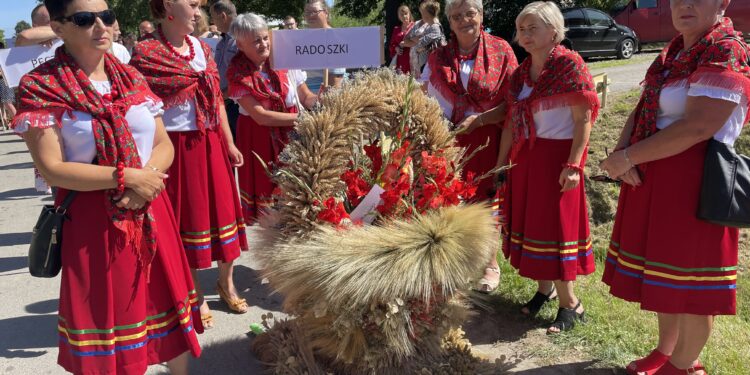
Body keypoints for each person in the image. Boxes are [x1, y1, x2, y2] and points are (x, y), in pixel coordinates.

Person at [12, 0, 203, 373]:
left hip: (150, 207)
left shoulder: (130, 77)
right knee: (108, 322)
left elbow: (163, 144)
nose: (101, 25)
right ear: (59, 28)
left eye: (107, 16)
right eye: (85, 19)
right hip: (92, 222)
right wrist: (127, 177)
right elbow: (52, 169)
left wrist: (144, 179)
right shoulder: (40, 86)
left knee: (164, 307)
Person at [599, 0, 749, 373]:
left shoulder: (725, 49)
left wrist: (630, 157)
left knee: (694, 288)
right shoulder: (675, 51)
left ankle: (684, 366)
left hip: (697, 183)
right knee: (666, 278)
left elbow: (698, 127)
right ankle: (666, 350)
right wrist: (622, 151)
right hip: (658, 174)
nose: (686, 5)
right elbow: (645, 104)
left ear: (722, 3)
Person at [131, 0, 250, 329]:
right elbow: (139, 111)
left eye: (200, 6)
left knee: (225, 214)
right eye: (192, 4)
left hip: (210, 141)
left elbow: (216, 101)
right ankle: (193, 295)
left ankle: (225, 283)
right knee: (190, 222)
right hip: (175, 148)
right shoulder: (146, 52)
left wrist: (228, 141)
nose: (198, 12)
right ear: (169, 4)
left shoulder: (201, 47)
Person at [498, 1, 599, 334]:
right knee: (536, 227)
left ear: (554, 31)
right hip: (526, 159)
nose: (525, 34)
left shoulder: (570, 66)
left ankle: (572, 304)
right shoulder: (519, 74)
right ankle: (546, 289)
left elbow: (583, 118)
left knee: (557, 230)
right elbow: (512, 123)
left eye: (533, 28)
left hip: (558, 159)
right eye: (521, 29)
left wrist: (574, 164)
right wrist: (501, 164)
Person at [421, 0, 517, 293]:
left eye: (470, 13)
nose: (464, 20)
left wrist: (478, 120)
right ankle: (456, 263)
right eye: (457, 16)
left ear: (482, 15)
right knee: (446, 200)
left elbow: (513, 103)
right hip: (446, 139)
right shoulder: (438, 57)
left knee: (485, 201)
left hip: (487, 137)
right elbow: (424, 91)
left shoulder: (502, 50)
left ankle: (490, 264)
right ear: (449, 22)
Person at [227, 13, 320, 222]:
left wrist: (320, 100)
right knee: (270, 210)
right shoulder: (237, 74)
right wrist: (301, 119)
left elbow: (305, 96)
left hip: (291, 135)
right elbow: (261, 117)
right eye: (256, 41)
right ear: (241, 46)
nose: (263, 44)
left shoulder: (284, 60)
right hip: (260, 140)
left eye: (265, 38)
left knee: (298, 197)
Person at [210, 0, 240, 139]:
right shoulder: (222, 42)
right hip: (224, 104)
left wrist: (225, 95)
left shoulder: (241, 40)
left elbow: (246, 75)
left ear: (223, 16)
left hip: (238, 105)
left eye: (213, 17)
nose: (212, 21)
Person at [303, 0, 344, 92]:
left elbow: (336, 79)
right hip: (305, 97)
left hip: (323, 97)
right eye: (307, 12)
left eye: (315, 11)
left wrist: (324, 102)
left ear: (326, 13)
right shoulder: (303, 39)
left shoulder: (335, 38)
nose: (310, 15)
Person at [401, 1, 444, 76]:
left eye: (422, 13)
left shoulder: (435, 27)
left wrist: (416, 40)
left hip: (431, 64)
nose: (422, 15)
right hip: (425, 63)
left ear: (427, 14)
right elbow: (411, 41)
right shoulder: (432, 26)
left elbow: (420, 45)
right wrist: (418, 40)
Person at [388, 5, 414, 74]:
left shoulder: (415, 26)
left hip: (412, 60)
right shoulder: (396, 29)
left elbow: (419, 42)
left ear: (409, 14)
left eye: (406, 14)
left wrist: (407, 43)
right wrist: (396, 48)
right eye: (401, 15)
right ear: (399, 17)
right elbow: (391, 45)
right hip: (399, 61)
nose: (404, 16)